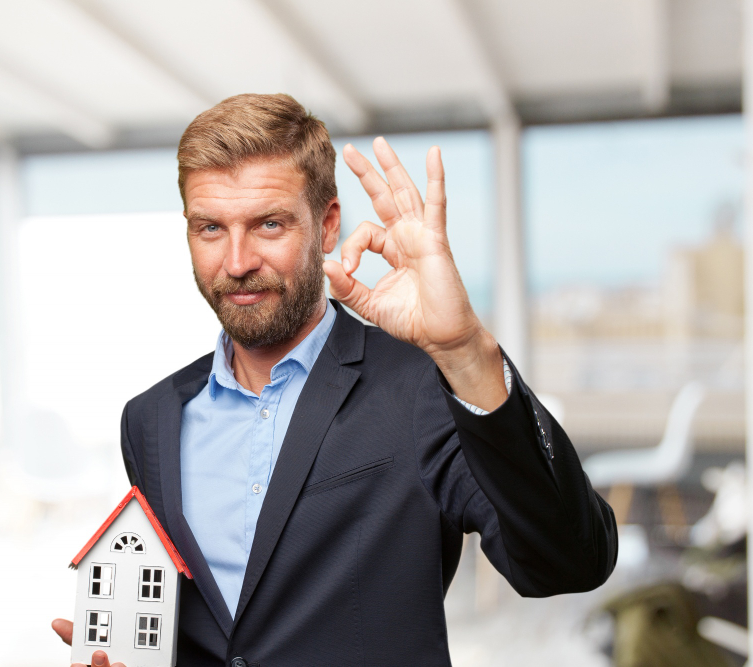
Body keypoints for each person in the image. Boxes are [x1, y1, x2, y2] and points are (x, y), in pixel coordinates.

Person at [52, 93, 618, 667]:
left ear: (327, 226)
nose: (238, 261)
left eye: (269, 224)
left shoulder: (421, 388)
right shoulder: (149, 420)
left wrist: (466, 350)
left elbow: (569, 562)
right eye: (211, 229)